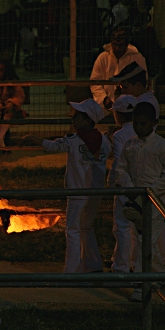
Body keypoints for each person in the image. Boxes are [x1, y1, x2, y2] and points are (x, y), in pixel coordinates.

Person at [30, 98, 112, 274]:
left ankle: (72, 270)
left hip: (77, 192)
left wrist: (34, 139)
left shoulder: (74, 141)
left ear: (87, 120)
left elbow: (53, 147)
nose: (73, 119)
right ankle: (93, 265)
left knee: (73, 229)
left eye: (77, 116)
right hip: (96, 191)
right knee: (87, 226)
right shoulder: (104, 141)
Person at [115, 101, 165, 302]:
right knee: (142, 238)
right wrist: (131, 189)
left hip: (155, 201)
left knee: (146, 240)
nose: (138, 127)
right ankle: (158, 275)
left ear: (154, 123)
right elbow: (121, 169)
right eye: (136, 123)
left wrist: (152, 190)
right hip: (136, 199)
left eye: (143, 124)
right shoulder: (130, 145)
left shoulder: (162, 146)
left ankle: (141, 284)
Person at [107, 94, 139, 273]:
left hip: (125, 184)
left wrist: (113, 181)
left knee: (121, 225)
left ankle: (121, 266)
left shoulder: (120, 135)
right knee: (137, 227)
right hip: (142, 181)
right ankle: (134, 261)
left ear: (117, 115)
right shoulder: (141, 131)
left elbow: (118, 161)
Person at [90, 28, 147, 110]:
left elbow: (142, 83)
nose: (117, 48)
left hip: (131, 105)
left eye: (120, 45)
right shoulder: (103, 58)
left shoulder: (137, 58)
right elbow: (95, 83)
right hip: (106, 106)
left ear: (127, 44)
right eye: (115, 44)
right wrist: (104, 99)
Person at [0, 58, 25, 148]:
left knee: (6, 116)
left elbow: (19, 96)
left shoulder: (12, 82)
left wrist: (11, 103)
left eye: (1, 70)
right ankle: (0, 140)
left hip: (9, 109)